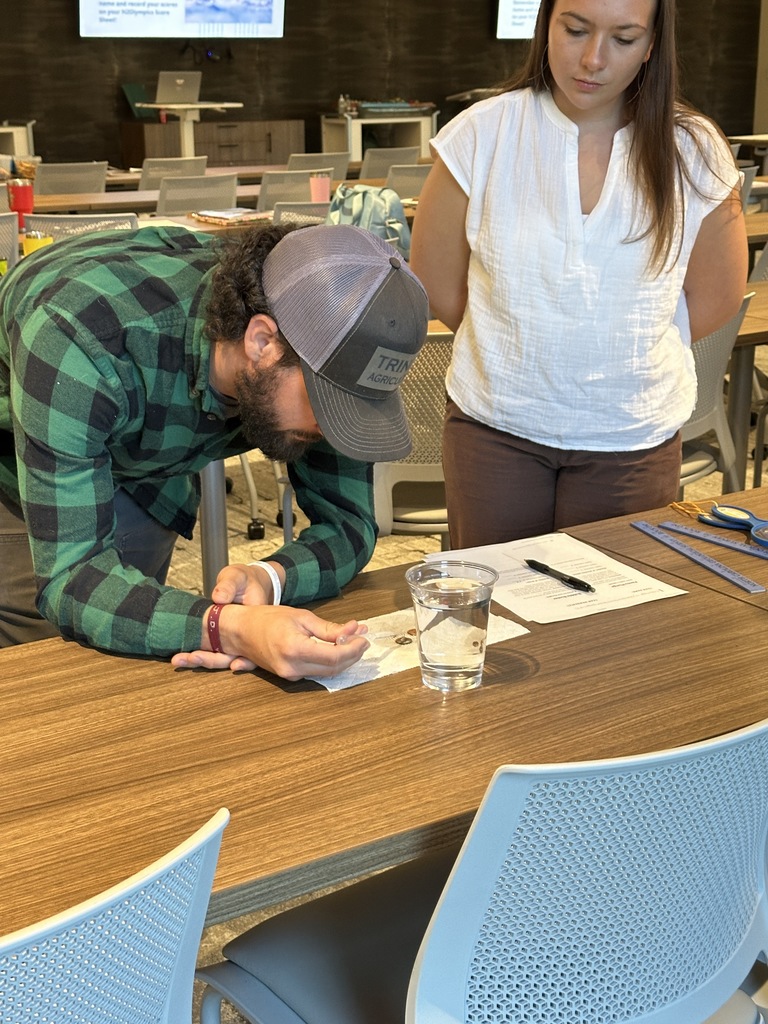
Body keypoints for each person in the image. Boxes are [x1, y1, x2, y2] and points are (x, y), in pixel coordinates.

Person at [0, 222, 429, 678]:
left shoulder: (318, 331)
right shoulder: (82, 337)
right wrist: (228, 628)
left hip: (153, 453)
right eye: (328, 403)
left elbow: (350, 524)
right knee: (47, 657)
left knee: (132, 658)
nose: (335, 427)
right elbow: (71, 577)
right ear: (262, 342)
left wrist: (270, 577)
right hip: (31, 440)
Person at [410, 0, 748, 548]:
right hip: (497, 426)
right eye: (575, 29)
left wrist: (620, 351)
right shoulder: (481, 135)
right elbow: (437, 282)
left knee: (614, 623)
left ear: (653, 44)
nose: (592, 59)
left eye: (624, 38)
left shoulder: (693, 150)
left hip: (631, 432)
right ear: (546, 23)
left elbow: (717, 295)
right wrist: (519, 338)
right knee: (502, 611)